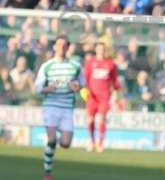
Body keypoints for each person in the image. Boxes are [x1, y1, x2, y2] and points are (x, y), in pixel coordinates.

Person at [35, 35, 82, 180]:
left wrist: (78, 88)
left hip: (67, 108)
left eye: (64, 45)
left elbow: (83, 87)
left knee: (66, 143)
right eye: (59, 44)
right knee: (51, 138)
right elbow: (38, 88)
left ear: (68, 47)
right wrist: (48, 89)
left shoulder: (75, 66)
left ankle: (57, 142)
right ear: (54, 47)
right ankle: (48, 173)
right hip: (51, 107)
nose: (61, 47)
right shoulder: (47, 66)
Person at [83, 42, 120, 152]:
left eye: (103, 49)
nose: (101, 51)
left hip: (104, 97)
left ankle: (101, 143)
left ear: (105, 50)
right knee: (90, 120)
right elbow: (85, 79)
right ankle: (92, 142)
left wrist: (117, 97)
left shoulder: (110, 64)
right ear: (96, 50)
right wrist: (85, 91)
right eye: (99, 49)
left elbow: (115, 82)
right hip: (92, 97)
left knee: (101, 119)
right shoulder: (90, 63)